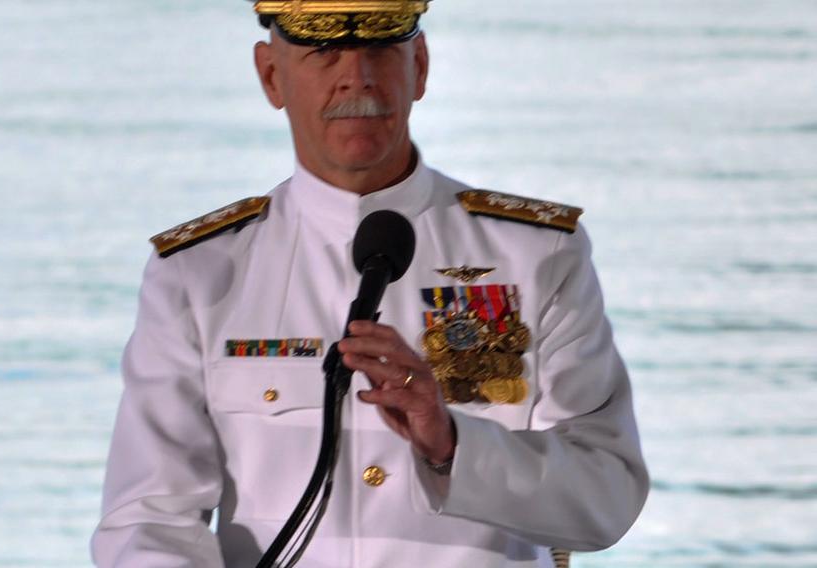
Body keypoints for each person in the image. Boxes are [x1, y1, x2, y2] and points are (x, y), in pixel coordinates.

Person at [91, 1, 649, 566]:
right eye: (324, 51)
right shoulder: (200, 274)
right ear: (271, 76)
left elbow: (607, 496)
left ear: (420, 66)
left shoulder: (536, 256)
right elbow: (148, 519)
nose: (356, 77)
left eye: (381, 49)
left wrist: (451, 444)